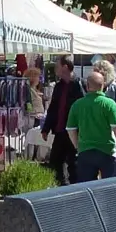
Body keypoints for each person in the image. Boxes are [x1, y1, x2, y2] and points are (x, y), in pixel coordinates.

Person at [66, 69, 116, 182]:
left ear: (87, 86)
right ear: (103, 86)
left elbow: (71, 129)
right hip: (107, 151)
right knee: (111, 187)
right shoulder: (109, 104)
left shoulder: (77, 105)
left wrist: (77, 147)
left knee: (88, 188)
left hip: (85, 151)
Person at [44, 56, 85, 186]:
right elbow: (53, 108)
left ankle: (75, 187)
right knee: (55, 160)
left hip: (74, 130)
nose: (55, 69)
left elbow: (83, 108)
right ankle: (62, 185)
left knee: (74, 162)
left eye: (57, 66)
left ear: (65, 67)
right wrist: (46, 128)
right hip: (60, 130)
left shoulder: (79, 84)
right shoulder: (58, 86)